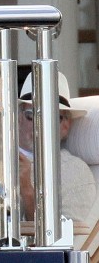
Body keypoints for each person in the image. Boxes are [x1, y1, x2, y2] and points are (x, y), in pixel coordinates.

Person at [18, 71, 96, 222]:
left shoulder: (75, 173)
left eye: (50, 117)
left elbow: (61, 234)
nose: (39, 125)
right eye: (31, 115)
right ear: (19, 118)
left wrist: (27, 191)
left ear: (65, 125)